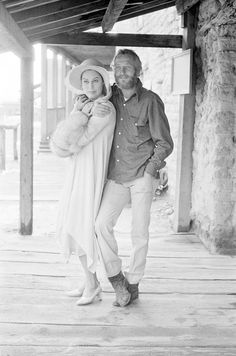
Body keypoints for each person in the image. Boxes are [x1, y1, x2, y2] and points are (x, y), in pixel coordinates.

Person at [95, 49, 174, 307]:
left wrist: (151, 171)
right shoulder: (111, 96)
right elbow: (88, 99)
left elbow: (164, 142)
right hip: (116, 175)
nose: (122, 72)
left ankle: (134, 281)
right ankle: (116, 277)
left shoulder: (151, 101)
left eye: (127, 67)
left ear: (138, 70)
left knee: (139, 232)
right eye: (117, 67)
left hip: (142, 175)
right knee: (100, 225)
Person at [51, 58, 116, 305]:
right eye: (86, 81)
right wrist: (80, 112)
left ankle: (93, 284)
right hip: (78, 169)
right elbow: (68, 144)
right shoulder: (87, 105)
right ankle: (89, 280)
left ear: (103, 82)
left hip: (92, 170)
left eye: (95, 80)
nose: (90, 85)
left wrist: (80, 114)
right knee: (71, 221)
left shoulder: (103, 109)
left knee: (80, 224)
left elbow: (79, 140)